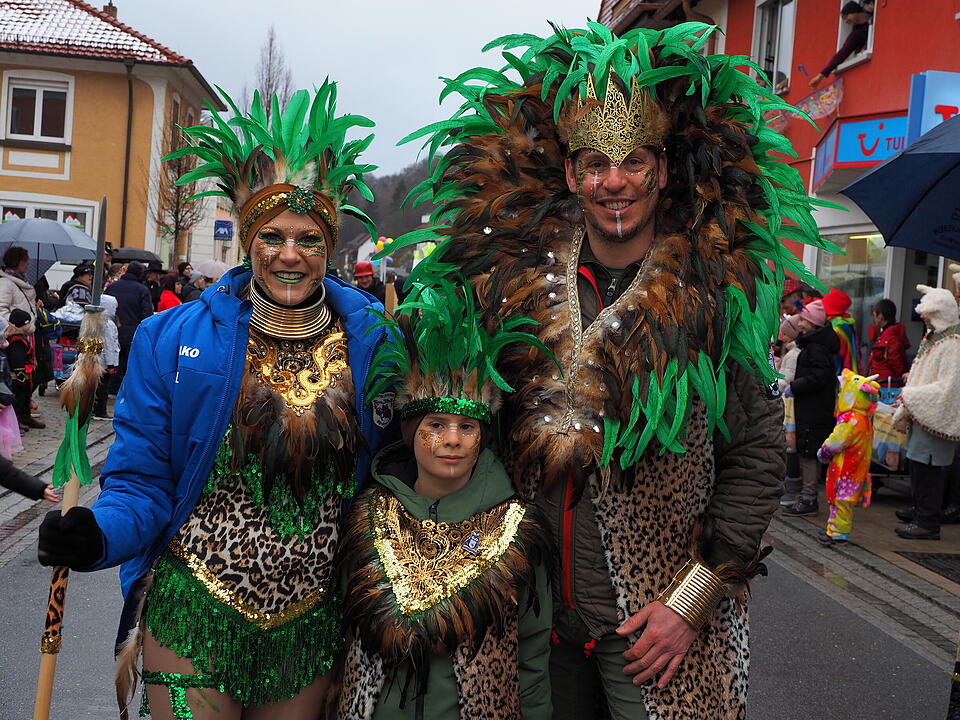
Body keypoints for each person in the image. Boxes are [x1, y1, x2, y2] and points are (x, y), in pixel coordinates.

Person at [396, 22, 831, 719]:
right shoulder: (514, 285)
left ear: (661, 170)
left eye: (633, 162)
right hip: (535, 620)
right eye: (595, 163)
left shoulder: (714, 290)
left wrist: (690, 603)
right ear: (571, 174)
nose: (614, 182)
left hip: (654, 631)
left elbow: (754, 456)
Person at [38, 84, 388, 720]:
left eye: (308, 238)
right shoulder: (169, 338)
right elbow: (142, 481)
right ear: (247, 239)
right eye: (273, 235)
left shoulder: (373, 341)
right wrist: (96, 537)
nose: (289, 254)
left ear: (329, 246)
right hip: (197, 603)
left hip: (310, 621)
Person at [337, 280, 553, 720]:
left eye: (467, 427)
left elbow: (532, 654)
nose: (452, 440)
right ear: (410, 433)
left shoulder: (517, 532)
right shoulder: (368, 518)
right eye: (435, 425)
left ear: (482, 438)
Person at [893, 285, 960, 541]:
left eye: (928, 313)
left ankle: (927, 521)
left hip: (936, 417)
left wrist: (911, 394)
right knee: (918, 465)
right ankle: (921, 511)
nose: (922, 316)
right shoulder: (937, 337)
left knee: (928, 469)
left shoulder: (952, 344)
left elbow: (949, 387)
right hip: (924, 415)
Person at [783, 300, 840, 517]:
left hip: (814, 409)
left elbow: (819, 377)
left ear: (813, 324)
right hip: (811, 407)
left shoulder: (816, 348)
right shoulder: (814, 345)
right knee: (807, 451)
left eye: (804, 320)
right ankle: (807, 496)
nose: (801, 324)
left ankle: (809, 498)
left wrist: (795, 387)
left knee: (809, 452)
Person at [815, 370, 880, 546]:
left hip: (845, 467)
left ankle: (837, 533)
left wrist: (823, 452)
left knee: (840, 500)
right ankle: (837, 530)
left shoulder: (850, 420)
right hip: (857, 468)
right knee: (846, 501)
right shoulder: (864, 418)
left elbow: (836, 441)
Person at [0, 246, 41, 430]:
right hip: (15, 337)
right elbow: (1, 309)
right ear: (17, 262)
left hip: (27, 334)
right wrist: (15, 326)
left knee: (31, 376)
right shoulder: (6, 284)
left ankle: (24, 414)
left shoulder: (21, 282)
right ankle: (16, 417)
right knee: (18, 378)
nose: (28, 263)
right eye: (25, 260)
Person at [104, 261, 153, 394]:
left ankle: (108, 389)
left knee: (111, 360)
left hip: (111, 330)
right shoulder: (142, 290)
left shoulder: (112, 287)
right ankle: (120, 389)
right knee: (127, 363)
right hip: (133, 332)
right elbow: (147, 314)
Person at [808, 1, 875, 89]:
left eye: (846, 17)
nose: (846, 21)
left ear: (854, 11)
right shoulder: (857, 33)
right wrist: (820, 76)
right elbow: (843, 53)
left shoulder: (872, 10)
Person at [778, 314, 803, 507]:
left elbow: (787, 380)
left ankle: (793, 488)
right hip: (789, 404)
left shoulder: (794, 355)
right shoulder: (790, 353)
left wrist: (771, 379)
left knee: (790, 445)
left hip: (791, 406)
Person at [867, 298, 909, 399]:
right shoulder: (887, 334)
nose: (874, 319)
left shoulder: (890, 337)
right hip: (883, 386)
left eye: (874, 315)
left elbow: (897, 364)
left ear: (880, 316)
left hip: (886, 389)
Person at [92, 294, 120, 420]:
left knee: (97, 387)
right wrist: (111, 364)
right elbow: (109, 345)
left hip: (96, 361)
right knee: (103, 388)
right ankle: (100, 410)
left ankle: (94, 408)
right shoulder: (108, 324)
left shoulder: (94, 321)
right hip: (105, 363)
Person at [822, 287, 860, 373]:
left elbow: (834, 354)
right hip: (847, 371)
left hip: (840, 372)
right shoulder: (845, 324)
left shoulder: (837, 327)